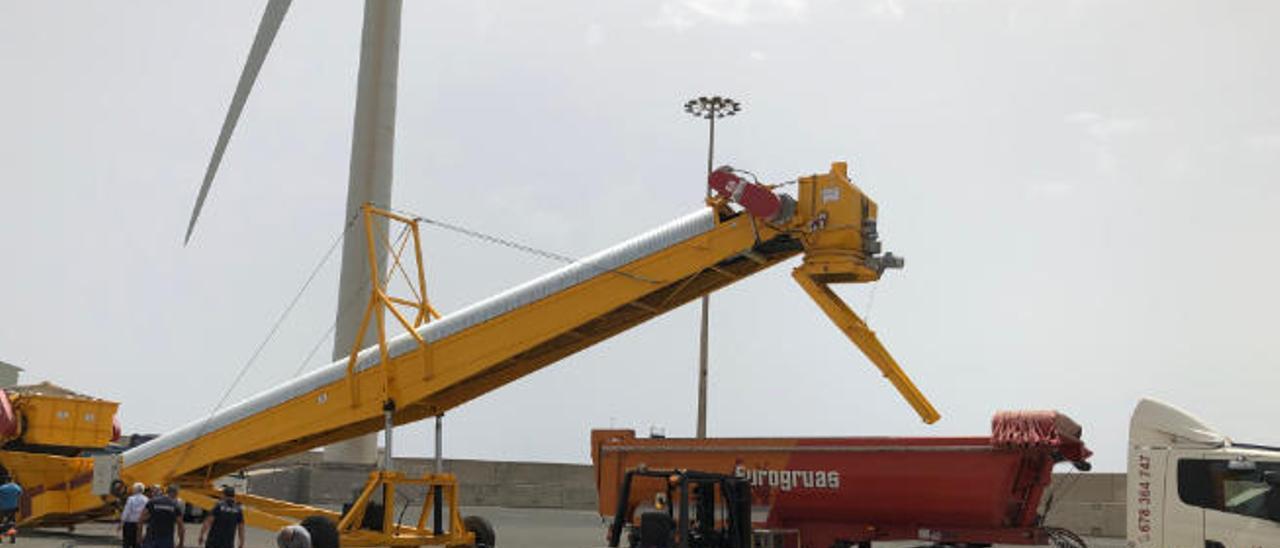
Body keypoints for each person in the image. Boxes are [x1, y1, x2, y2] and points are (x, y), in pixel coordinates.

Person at [118, 482, 148, 548]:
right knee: (137, 542)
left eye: (133, 489)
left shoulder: (131, 499)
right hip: (140, 524)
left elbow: (126, 511)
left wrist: (121, 522)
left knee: (127, 543)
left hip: (129, 523)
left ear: (136, 490)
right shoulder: (146, 499)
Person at [0, 475, 21, 544]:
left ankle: (0, 537)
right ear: (12, 480)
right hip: (13, 507)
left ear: (6, 480)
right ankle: (12, 537)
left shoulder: (2, 488)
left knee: (2, 522)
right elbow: (19, 495)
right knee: (12, 522)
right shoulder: (16, 487)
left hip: (3, 508)